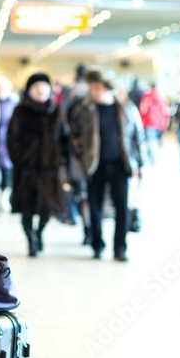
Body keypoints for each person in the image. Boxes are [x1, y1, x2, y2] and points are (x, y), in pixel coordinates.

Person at [69, 70, 145, 261]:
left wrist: (140, 162)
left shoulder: (125, 107)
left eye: (97, 87)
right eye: (92, 87)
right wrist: (82, 158)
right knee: (95, 206)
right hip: (95, 165)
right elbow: (74, 136)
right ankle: (97, 245)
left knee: (122, 206)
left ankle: (120, 247)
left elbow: (138, 135)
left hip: (121, 164)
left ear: (107, 88)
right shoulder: (85, 109)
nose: (93, 91)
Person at [6, 72, 66, 257]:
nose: (40, 90)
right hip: (27, 169)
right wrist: (21, 158)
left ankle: (39, 233)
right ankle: (30, 238)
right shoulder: (20, 111)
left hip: (49, 168)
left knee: (47, 207)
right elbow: (11, 139)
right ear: (29, 90)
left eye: (44, 86)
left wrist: (60, 160)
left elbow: (64, 138)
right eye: (36, 87)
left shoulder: (57, 110)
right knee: (27, 208)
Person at [0, 77, 16, 210]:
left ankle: (5, 198)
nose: (0, 91)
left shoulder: (13, 104)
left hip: (7, 140)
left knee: (6, 170)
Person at [139, 82, 170, 166]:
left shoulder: (146, 96)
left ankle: (152, 160)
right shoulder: (163, 97)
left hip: (149, 123)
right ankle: (151, 159)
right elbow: (166, 112)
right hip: (160, 124)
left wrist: (142, 122)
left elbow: (143, 110)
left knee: (150, 142)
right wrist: (165, 123)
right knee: (153, 141)